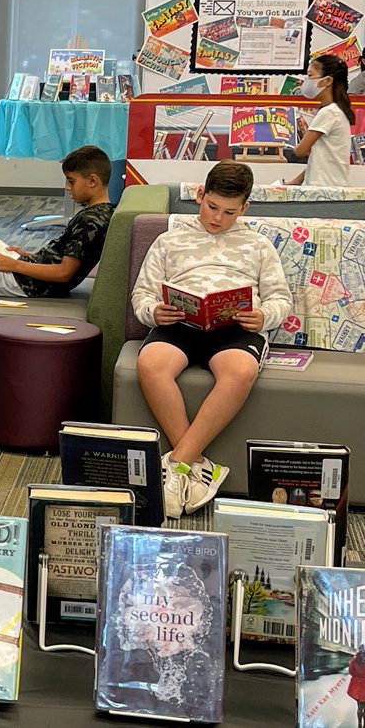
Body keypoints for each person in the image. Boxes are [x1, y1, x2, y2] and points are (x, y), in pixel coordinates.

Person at [131, 161, 292, 519]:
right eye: (212, 206)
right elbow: (141, 295)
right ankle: (200, 465)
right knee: (151, 364)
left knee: (238, 370)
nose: (218, 218)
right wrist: (154, 312)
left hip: (235, 325)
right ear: (200, 195)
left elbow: (281, 298)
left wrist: (264, 316)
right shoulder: (168, 240)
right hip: (179, 322)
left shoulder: (259, 244)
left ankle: (179, 465)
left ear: (245, 208)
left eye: (229, 212)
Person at [0, 145, 114, 298]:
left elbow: (64, 273)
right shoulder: (97, 213)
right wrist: (27, 255)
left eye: (71, 181)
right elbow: (60, 256)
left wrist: (15, 265)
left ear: (92, 181)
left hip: (34, 284)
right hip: (33, 270)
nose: (67, 187)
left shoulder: (91, 221)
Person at [287, 53, 352, 187]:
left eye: (310, 76)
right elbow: (321, 159)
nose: (306, 81)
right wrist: (295, 182)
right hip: (331, 186)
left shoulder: (328, 113)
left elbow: (300, 151)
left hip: (323, 189)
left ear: (328, 81)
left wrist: (304, 147)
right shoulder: (337, 111)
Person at [350, 645, 365, 728]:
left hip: (357, 687)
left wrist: (358, 676)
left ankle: (359, 723)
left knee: (359, 706)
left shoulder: (354, 659)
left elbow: (351, 671)